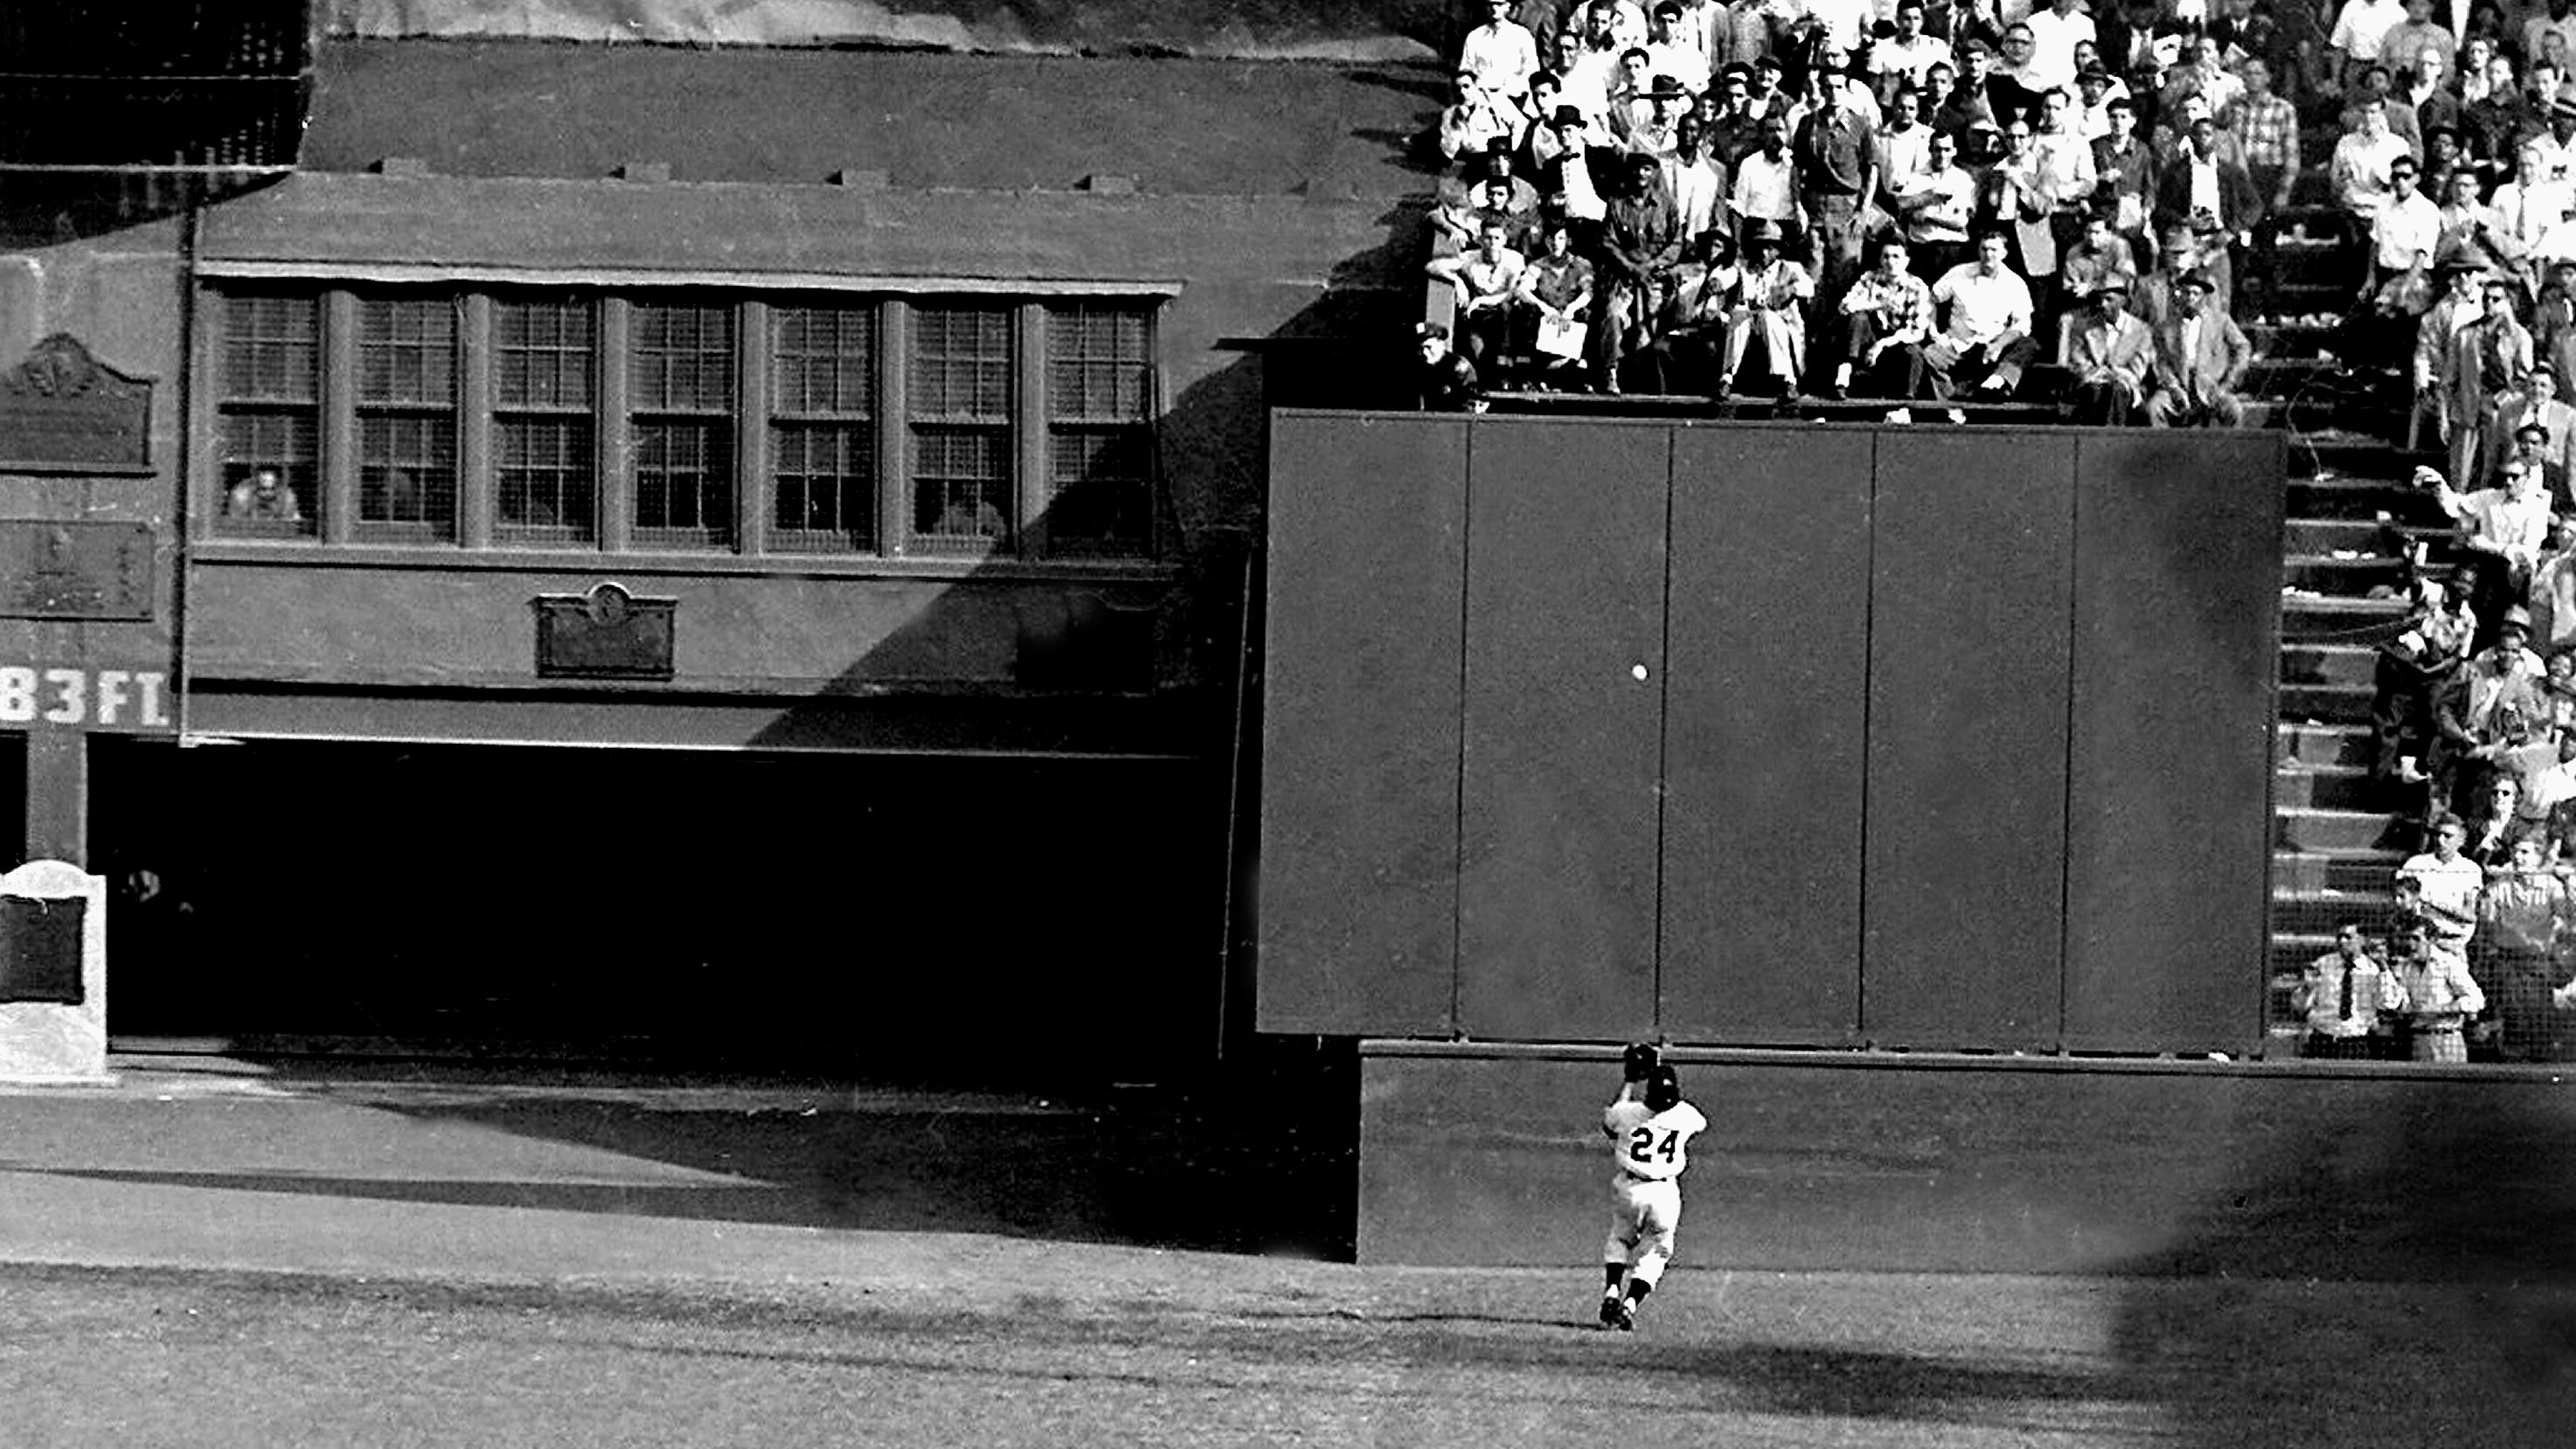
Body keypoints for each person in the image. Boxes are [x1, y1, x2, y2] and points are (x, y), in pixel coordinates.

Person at [1597, 1048, 1709, 1333]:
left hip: (1630, 1188)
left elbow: (1610, 1124)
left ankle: (1612, 1291)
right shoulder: (1685, 1115)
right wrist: (1660, 1069)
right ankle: (1630, 1305)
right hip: (1664, 1193)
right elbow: (1698, 1122)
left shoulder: (1629, 1112)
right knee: (1656, 1252)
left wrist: (1630, 1080)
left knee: (1620, 1240)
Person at [1926, 228, 2040, 399]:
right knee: (1930, 354)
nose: (1988, 255)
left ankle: (1999, 380)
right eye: (1984, 249)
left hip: (1992, 348)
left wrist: (1998, 345)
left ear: (2004, 253)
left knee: (2029, 344)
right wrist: (1934, 332)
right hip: (1958, 345)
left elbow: (2022, 325)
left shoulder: (2015, 283)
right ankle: (1949, 405)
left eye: (1994, 250)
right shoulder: (1960, 273)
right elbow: (1930, 299)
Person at [1715, 218, 1814, 396]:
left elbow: (1808, 287)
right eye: (1760, 247)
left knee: (1768, 317)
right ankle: (1728, 376)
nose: (1764, 252)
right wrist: (1718, 282)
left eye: (1769, 248)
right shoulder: (1746, 268)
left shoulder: (1790, 269)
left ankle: (1787, 379)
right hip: (1750, 328)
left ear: (1778, 250)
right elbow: (1729, 276)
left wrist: (1789, 290)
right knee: (1739, 315)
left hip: (1779, 327)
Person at [1830, 232, 1935, 398]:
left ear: (1906, 261)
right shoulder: (1870, 279)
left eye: (1896, 257)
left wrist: (1882, 344)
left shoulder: (1917, 287)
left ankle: (1905, 403)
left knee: (1914, 352)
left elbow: (1917, 331)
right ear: (1880, 260)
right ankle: (1845, 371)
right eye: (1886, 257)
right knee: (1858, 318)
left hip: (1894, 344)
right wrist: (1878, 305)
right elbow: (1845, 307)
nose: (1891, 262)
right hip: (1868, 340)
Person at [2144, 270, 2253, 426]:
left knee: (2233, 409)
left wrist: (2229, 382)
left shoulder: (2221, 321)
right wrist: (2173, 387)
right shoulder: (2166, 326)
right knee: (2155, 407)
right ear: (2179, 294)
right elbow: (2161, 361)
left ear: (2204, 297)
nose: (2190, 298)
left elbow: (2243, 347)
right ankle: (2163, 449)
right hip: (2179, 386)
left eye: (2196, 294)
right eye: (2186, 293)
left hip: (2212, 387)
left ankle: (2229, 450)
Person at [2291, 922, 2406, 1058]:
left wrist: (2383, 969)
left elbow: (2389, 1004)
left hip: (2356, 1042)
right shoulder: (2323, 965)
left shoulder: (2374, 969)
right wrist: (2307, 988)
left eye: (2348, 937)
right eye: (2339, 937)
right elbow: (2299, 1007)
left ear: (2362, 940)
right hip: (2323, 1040)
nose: (2342, 941)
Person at [2389, 911, 2489, 1062]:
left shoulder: (2448, 963)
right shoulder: (2406, 968)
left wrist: (2443, 1009)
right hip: (2419, 1040)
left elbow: (2476, 999)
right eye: (2407, 938)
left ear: (2431, 940)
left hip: (2447, 1038)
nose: (2411, 944)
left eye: (2416, 939)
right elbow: (2401, 1004)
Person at [2062, 275, 2154, 423]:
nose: (2103, 305)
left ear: (2123, 301)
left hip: (2126, 383)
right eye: (2099, 300)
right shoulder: (2084, 327)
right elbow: (2077, 361)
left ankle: (2110, 437)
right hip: (2092, 380)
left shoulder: (2141, 330)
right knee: (2095, 390)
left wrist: (2112, 373)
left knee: (2116, 390)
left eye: (2109, 300)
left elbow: (2138, 368)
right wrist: (2096, 373)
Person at [1412, 322, 1485, 411]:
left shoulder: (1457, 366)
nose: (1424, 353)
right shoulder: (1417, 367)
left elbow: (1470, 403)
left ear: (1441, 344)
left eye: (1429, 347)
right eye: (1420, 349)